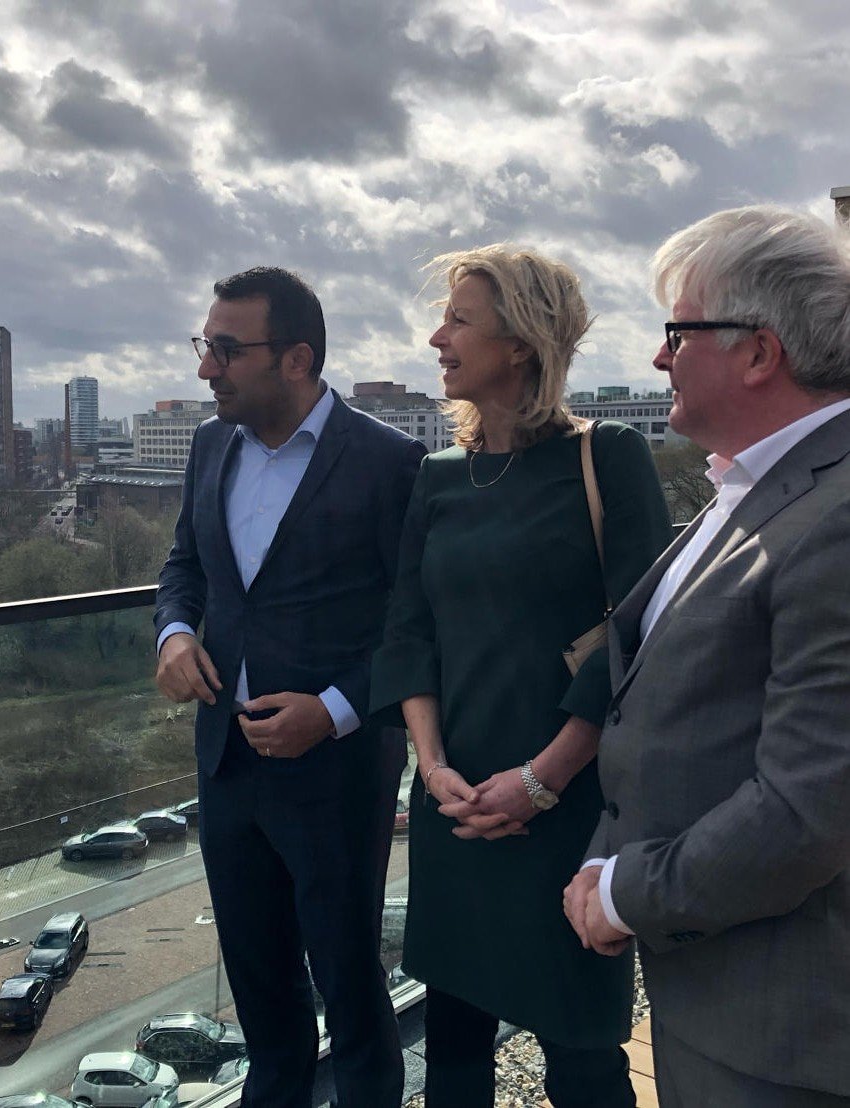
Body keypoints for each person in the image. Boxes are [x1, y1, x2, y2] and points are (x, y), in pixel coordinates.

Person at [370, 245, 673, 1108]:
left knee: (583, 1056)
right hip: (456, 808)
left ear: (521, 342)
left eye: (458, 320)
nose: (437, 338)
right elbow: (408, 632)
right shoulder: (438, 476)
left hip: (567, 812)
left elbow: (641, 635)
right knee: (453, 1052)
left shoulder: (607, 455)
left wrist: (542, 782)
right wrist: (434, 770)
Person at [563, 206, 850, 1107]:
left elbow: (808, 808)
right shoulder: (751, 485)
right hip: (720, 999)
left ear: (759, 352)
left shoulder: (837, 517)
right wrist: (607, 860)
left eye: (677, 334)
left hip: (786, 1037)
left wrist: (627, 893)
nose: (659, 358)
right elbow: (667, 706)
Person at [154, 266, 426, 1108]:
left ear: (297, 358)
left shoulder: (390, 462)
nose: (207, 368)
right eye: (206, 345)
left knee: (351, 992)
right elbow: (184, 567)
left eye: (227, 350)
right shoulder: (210, 445)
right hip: (226, 766)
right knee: (263, 999)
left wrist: (334, 712)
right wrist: (173, 633)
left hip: (337, 776)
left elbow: (416, 626)